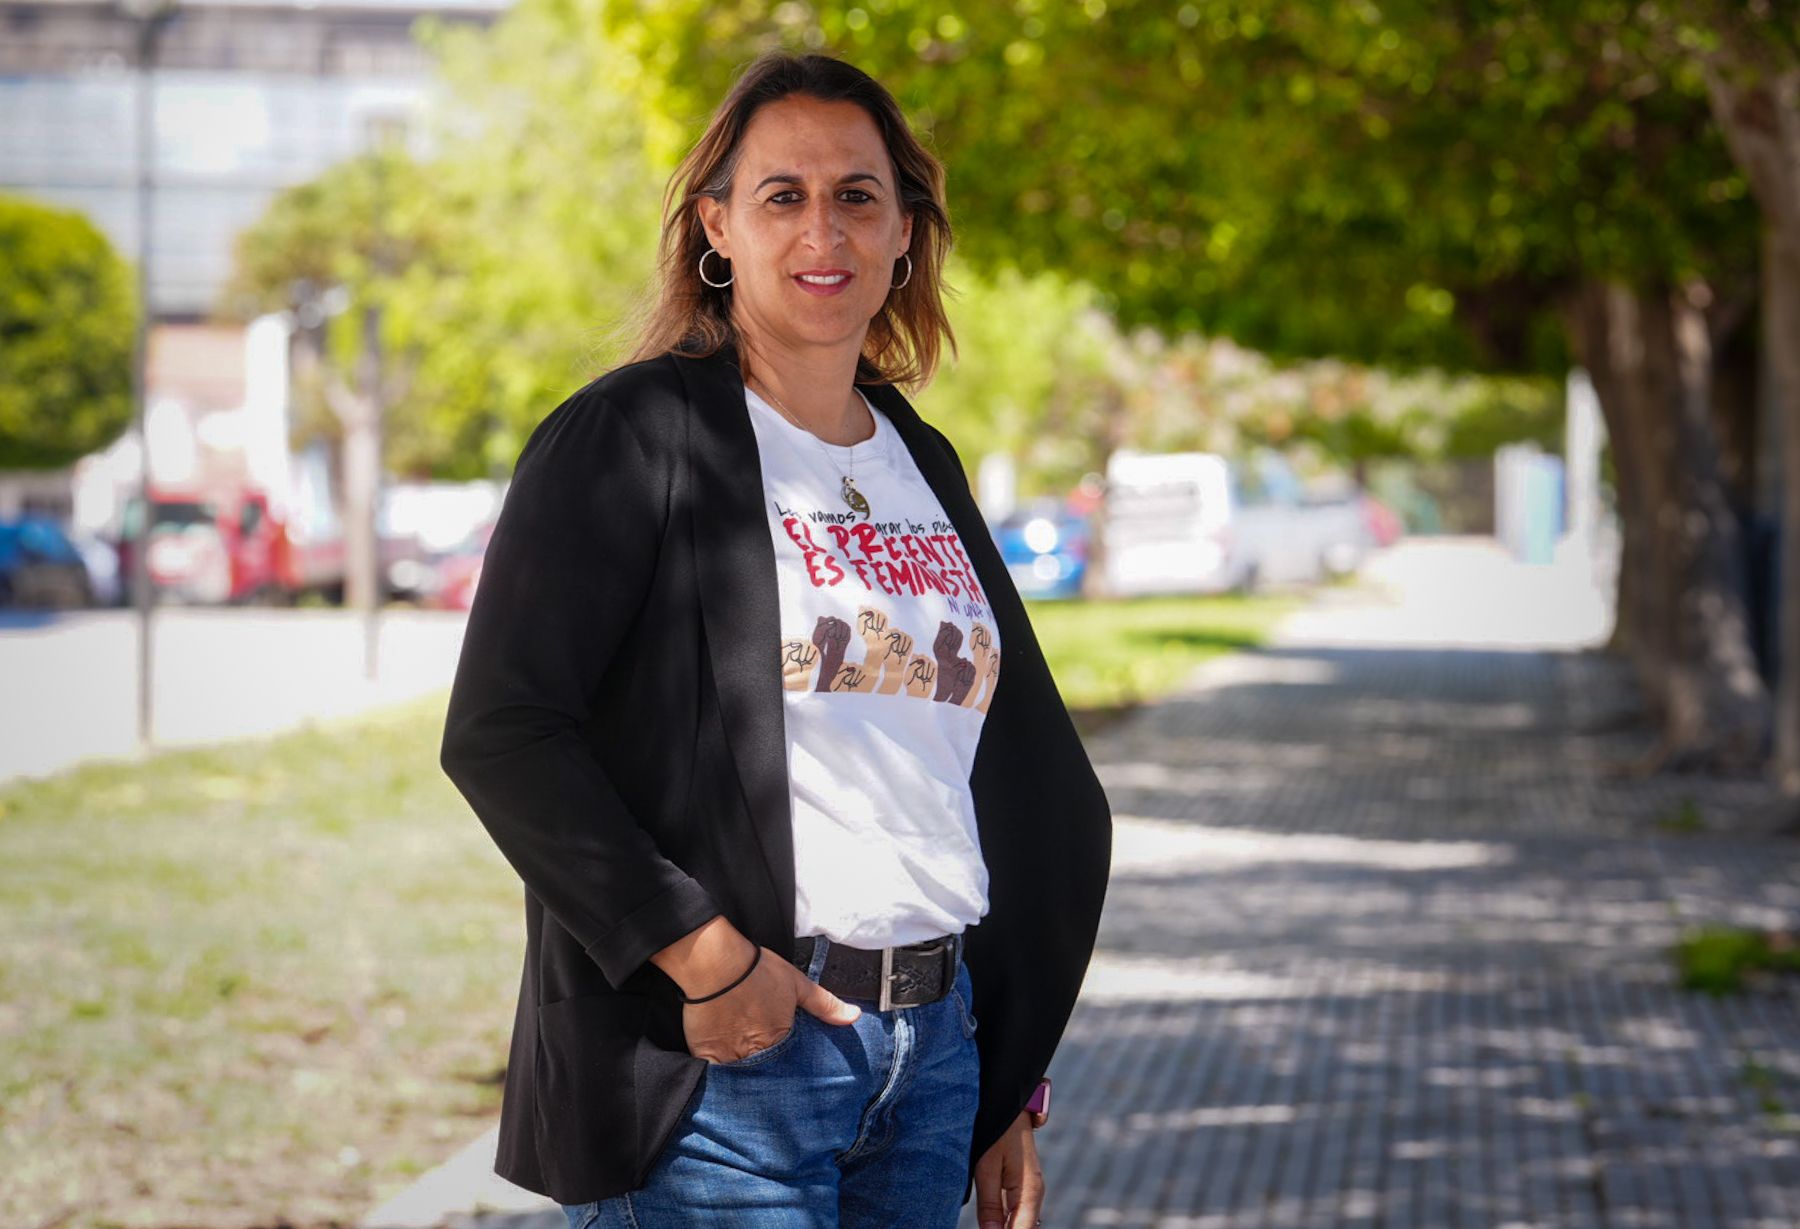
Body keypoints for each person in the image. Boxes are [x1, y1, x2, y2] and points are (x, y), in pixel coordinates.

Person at [438, 50, 1111, 1229]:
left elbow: (976, 768)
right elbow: (505, 731)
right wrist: (703, 956)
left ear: (905, 233)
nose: (823, 231)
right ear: (718, 226)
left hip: (932, 1060)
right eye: (782, 195)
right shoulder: (631, 438)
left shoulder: (921, 459)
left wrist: (1005, 1073)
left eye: (858, 195)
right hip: (728, 1070)